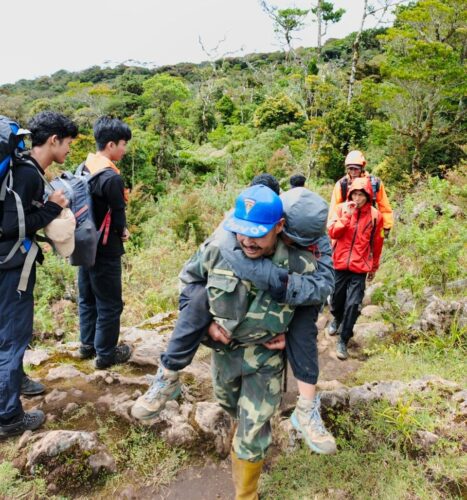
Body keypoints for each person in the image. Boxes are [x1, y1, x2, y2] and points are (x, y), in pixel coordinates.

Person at [133, 184, 335, 497]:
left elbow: (317, 299)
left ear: (280, 228)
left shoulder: (301, 263)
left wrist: (292, 332)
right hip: (225, 351)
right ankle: (171, 382)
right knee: (231, 408)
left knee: (253, 428)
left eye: (258, 233)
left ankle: (246, 491)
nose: (248, 240)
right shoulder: (218, 249)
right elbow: (190, 284)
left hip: (265, 357)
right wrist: (207, 327)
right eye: (243, 232)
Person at [0, 111, 77, 438]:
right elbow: (8, 227)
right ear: (53, 140)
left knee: (9, 333)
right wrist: (53, 207)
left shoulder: (20, 169)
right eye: (68, 143)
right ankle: (9, 417)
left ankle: (16, 381)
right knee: (12, 338)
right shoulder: (28, 174)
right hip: (10, 269)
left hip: (8, 265)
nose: (70, 150)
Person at [77, 116, 132, 369]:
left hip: (83, 244)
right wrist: (123, 232)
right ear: (111, 145)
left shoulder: (83, 167)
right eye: (123, 144)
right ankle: (106, 355)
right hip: (106, 249)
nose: (124, 149)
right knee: (110, 303)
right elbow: (118, 217)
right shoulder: (111, 178)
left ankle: (87, 346)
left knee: (87, 297)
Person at [327, 149, 392, 336]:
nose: (353, 171)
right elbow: (335, 210)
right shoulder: (342, 185)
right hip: (345, 234)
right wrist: (335, 235)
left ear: (362, 167)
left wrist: (384, 227)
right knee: (337, 293)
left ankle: (345, 332)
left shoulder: (375, 184)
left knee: (354, 299)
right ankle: (336, 317)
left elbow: (384, 206)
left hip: (365, 231)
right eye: (350, 168)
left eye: (356, 168)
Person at [327, 177, 384, 360]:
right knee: (336, 299)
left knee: (353, 304)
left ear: (368, 196)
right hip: (340, 263)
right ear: (350, 194)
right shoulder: (340, 209)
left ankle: (343, 339)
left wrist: (374, 266)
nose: (357, 198)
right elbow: (333, 232)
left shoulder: (376, 216)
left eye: (361, 195)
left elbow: (377, 243)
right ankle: (336, 318)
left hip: (360, 267)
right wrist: (347, 217)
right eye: (355, 194)